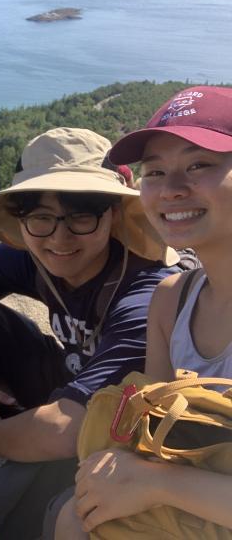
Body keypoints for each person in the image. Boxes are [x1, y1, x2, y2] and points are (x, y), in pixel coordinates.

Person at [0, 127, 181, 540]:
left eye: (81, 216)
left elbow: (66, 429)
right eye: (40, 218)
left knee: (65, 445)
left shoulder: (147, 291)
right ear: (22, 220)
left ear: (114, 214)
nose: (59, 238)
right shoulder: (29, 255)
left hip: (115, 418)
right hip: (65, 383)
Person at [54, 85, 232, 537]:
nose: (171, 190)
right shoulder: (171, 301)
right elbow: (151, 435)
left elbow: (156, 472)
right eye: (154, 171)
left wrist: (158, 484)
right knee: (73, 514)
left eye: (199, 164)